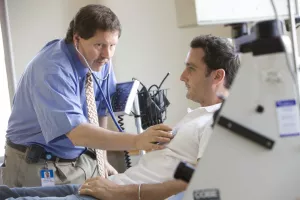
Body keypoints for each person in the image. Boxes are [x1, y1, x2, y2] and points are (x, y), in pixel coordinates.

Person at [0, 35, 240, 200]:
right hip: (110, 187)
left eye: (192, 68)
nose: (181, 76)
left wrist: (122, 193)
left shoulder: (218, 123)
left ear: (217, 75)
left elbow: (198, 183)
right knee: (6, 193)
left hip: (115, 195)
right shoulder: (197, 117)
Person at [1, 4, 173, 187]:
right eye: (99, 45)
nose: (107, 55)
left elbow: (100, 111)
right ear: (77, 39)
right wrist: (137, 141)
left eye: (112, 45)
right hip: (38, 164)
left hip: (79, 158)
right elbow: (77, 132)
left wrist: (102, 159)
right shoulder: (53, 69)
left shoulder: (100, 62)